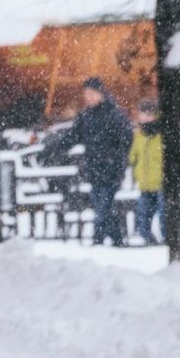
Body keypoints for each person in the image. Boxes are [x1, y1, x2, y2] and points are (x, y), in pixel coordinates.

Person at [66, 78, 132, 246]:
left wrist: (117, 158)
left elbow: (127, 138)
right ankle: (117, 240)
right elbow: (72, 136)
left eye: (90, 94)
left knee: (103, 208)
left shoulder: (114, 114)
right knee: (104, 208)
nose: (87, 98)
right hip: (94, 170)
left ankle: (98, 241)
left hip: (112, 170)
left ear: (100, 94)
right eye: (85, 94)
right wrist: (53, 146)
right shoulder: (85, 116)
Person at [130, 98, 165, 245]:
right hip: (144, 182)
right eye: (142, 113)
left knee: (164, 214)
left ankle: (166, 238)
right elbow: (133, 155)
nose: (143, 117)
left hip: (160, 182)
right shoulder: (138, 134)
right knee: (143, 214)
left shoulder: (160, 134)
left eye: (147, 113)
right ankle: (147, 238)